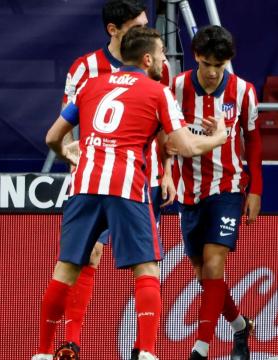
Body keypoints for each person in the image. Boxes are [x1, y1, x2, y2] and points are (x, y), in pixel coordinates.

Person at [33, 26, 227, 360]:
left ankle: (42, 353)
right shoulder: (156, 91)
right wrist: (219, 138)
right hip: (126, 185)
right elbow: (185, 146)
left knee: (64, 269)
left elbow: (53, 137)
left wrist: (70, 156)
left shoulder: (90, 85)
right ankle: (147, 353)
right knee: (147, 271)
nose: (165, 61)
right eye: (163, 55)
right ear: (147, 58)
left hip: (84, 185)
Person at [57, 2, 173, 358]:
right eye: (136, 25)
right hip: (93, 178)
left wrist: (166, 170)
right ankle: (72, 341)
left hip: (138, 177)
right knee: (87, 256)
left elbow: (165, 124)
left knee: (144, 264)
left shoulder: (157, 67)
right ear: (113, 30)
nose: (144, 30)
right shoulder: (85, 68)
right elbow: (64, 127)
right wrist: (71, 161)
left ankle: (144, 349)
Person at [170, 25, 261, 360]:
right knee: (203, 274)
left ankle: (201, 348)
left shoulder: (243, 91)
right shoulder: (176, 89)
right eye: (206, 64)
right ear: (195, 56)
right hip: (187, 190)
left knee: (213, 264)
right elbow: (165, 135)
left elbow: (253, 140)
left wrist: (256, 190)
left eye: (219, 67)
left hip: (229, 187)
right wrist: (165, 172)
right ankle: (240, 326)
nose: (211, 73)